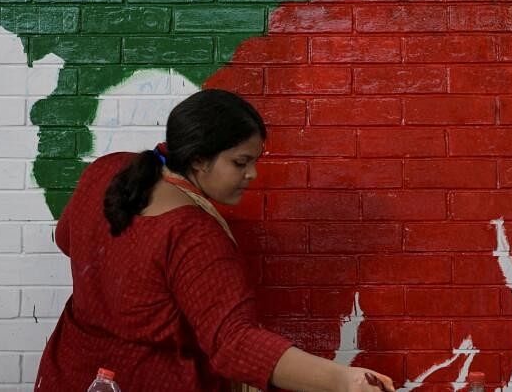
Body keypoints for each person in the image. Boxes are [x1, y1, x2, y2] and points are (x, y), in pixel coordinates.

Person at [34, 88, 394, 392]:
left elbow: (67, 238)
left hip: (68, 372)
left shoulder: (106, 170)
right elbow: (234, 343)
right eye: (240, 162)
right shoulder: (192, 233)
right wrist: (344, 380)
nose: (252, 174)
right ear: (199, 160)